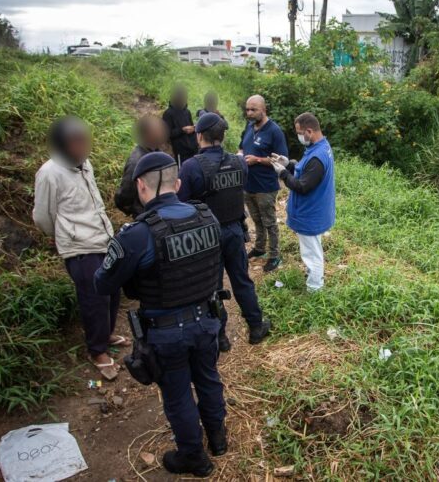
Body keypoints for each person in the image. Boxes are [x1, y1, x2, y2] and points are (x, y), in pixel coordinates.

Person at [94, 152, 226, 477]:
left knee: (178, 395)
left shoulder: (138, 234)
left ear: (141, 186)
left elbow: (103, 283)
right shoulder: (206, 215)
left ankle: (194, 458)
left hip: (168, 333)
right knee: (208, 378)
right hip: (208, 321)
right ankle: (218, 439)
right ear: (177, 184)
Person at [32, 116, 123, 380]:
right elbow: (42, 216)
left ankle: (105, 334)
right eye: (75, 142)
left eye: (84, 140)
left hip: (102, 238)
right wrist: (59, 235)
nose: (82, 146)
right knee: (94, 299)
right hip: (80, 246)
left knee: (113, 290)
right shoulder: (49, 172)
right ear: (61, 144)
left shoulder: (85, 165)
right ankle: (97, 351)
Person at [178, 113, 271, 352]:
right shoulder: (239, 162)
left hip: (205, 236)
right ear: (223, 135)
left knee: (212, 287)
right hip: (234, 230)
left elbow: (181, 204)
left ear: (199, 135)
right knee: (242, 280)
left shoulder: (190, 167)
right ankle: (256, 326)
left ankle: (220, 337)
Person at [271, 112, 335, 291]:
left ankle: (315, 289)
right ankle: (312, 276)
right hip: (316, 210)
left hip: (310, 213)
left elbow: (302, 186)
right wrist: (289, 165)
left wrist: (283, 174)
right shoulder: (320, 147)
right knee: (313, 249)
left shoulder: (317, 157)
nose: (299, 136)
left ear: (309, 131)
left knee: (312, 255)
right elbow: (305, 171)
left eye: (300, 133)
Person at [239, 94, 288, 273]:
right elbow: (242, 146)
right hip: (248, 184)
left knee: (269, 223)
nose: (249, 113)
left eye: (253, 110)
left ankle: (274, 255)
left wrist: (258, 160)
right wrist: (239, 155)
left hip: (265, 187)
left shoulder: (274, 131)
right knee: (256, 219)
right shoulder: (249, 126)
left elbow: (282, 160)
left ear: (264, 110)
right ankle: (260, 247)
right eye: (247, 109)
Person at [114, 116, 168, 218]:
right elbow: (125, 193)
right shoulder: (137, 160)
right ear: (146, 134)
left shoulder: (156, 151)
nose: (163, 133)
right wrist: (133, 209)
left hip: (160, 211)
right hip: (145, 214)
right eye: (158, 130)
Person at [163, 85, 197, 166]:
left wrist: (193, 128)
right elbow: (167, 134)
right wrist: (182, 130)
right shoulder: (168, 113)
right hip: (180, 152)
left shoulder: (187, 112)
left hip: (193, 149)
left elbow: (191, 127)